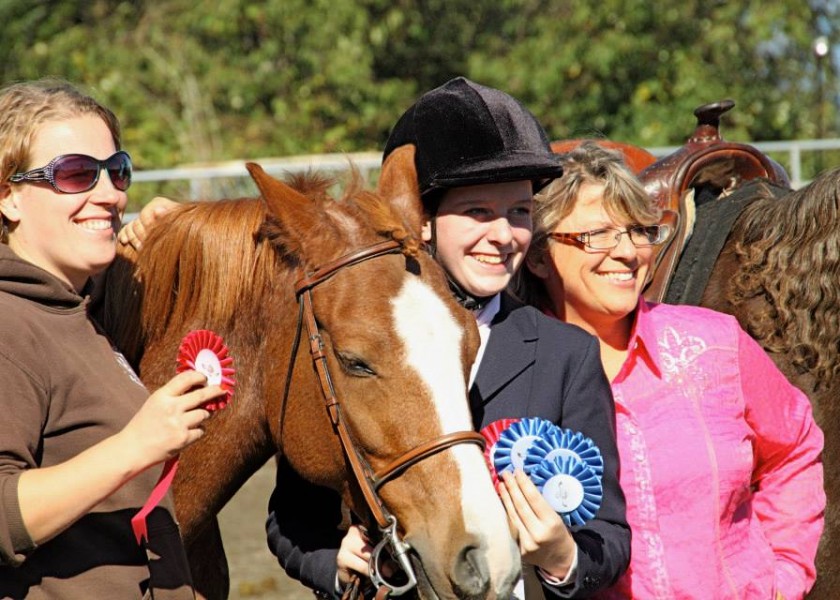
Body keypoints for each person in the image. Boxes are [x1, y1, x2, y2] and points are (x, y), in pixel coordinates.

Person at [265, 77, 630, 599]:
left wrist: (562, 556)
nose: (504, 236)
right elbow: (290, 518)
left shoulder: (565, 354)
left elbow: (610, 537)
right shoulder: (356, 345)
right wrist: (333, 563)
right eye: (479, 211)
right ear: (423, 222)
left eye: (520, 211)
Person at [516, 141, 825, 599]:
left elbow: (795, 445)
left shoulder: (715, 342)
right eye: (598, 234)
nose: (627, 253)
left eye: (639, 231)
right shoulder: (514, 371)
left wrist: (785, 573)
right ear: (539, 257)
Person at [0, 79, 226, 598]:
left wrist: (172, 237)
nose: (110, 194)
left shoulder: (76, 309)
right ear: (9, 197)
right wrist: (136, 445)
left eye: (116, 171)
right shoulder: (10, 325)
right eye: (76, 174)